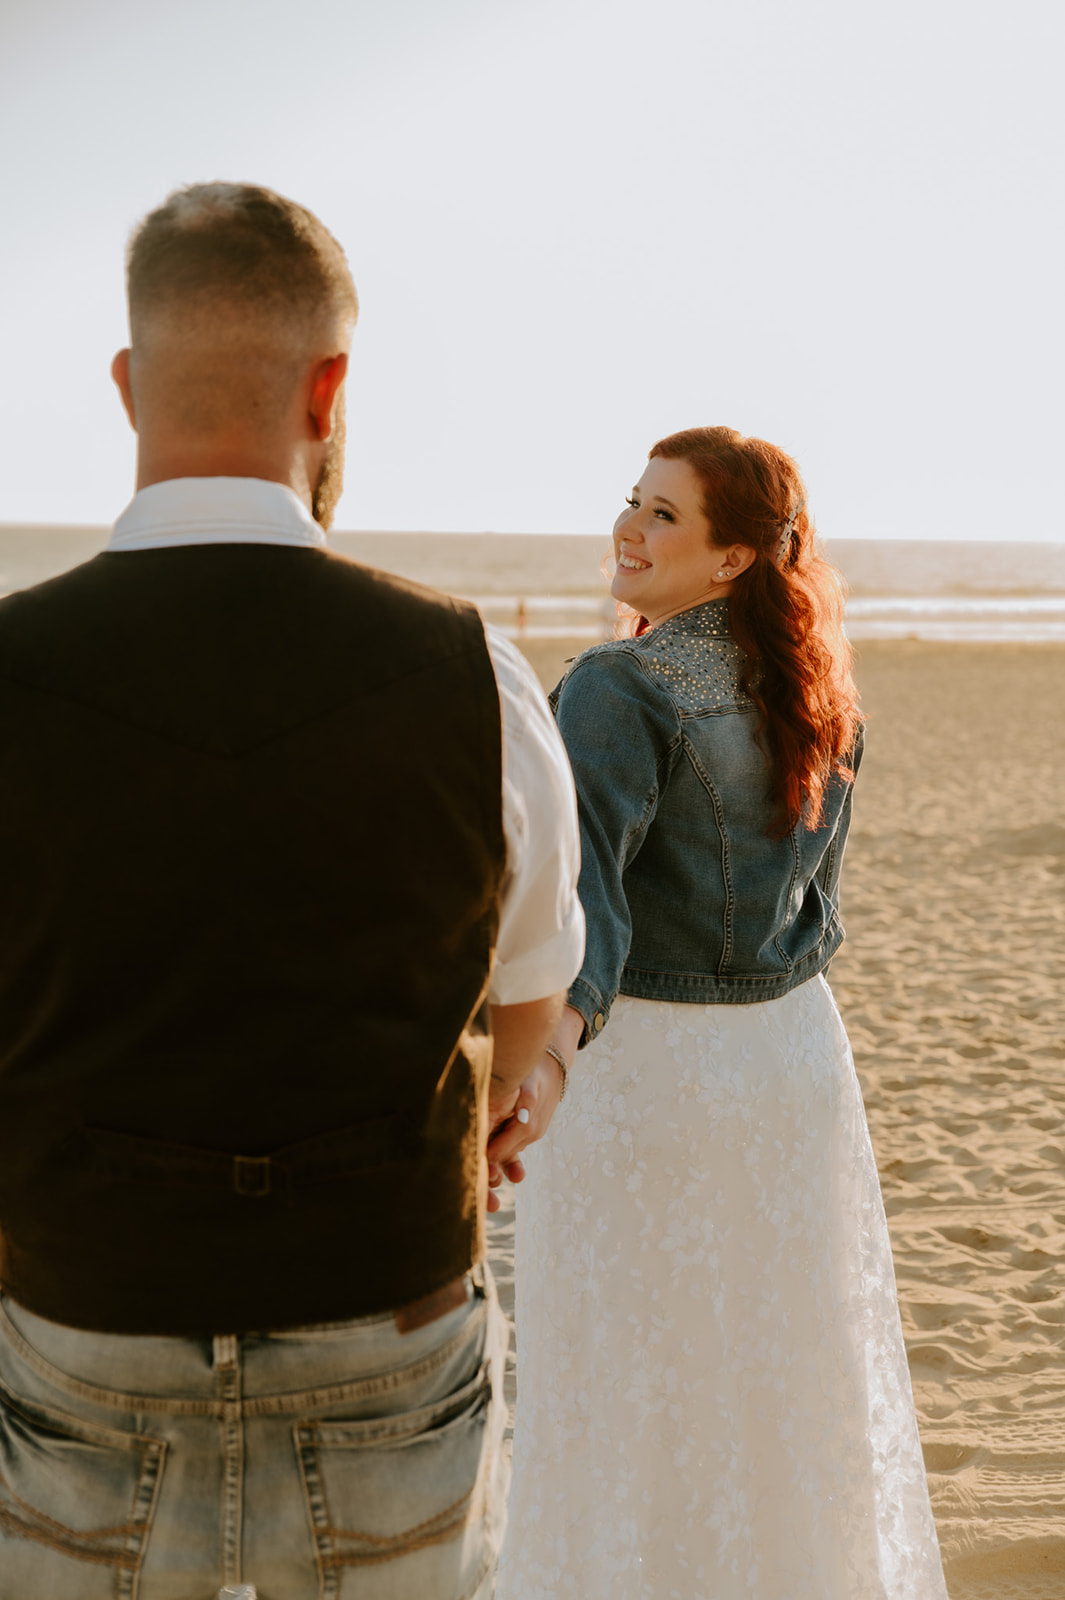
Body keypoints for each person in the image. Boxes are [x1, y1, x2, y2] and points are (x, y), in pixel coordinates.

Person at [0, 183, 583, 1598]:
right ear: (329, 388)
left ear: (129, 383)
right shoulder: (474, 676)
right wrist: (527, 1089)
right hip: (384, 1329)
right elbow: (528, 1017)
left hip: (85, 1330)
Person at [493, 428, 949, 1599]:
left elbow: (576, 902)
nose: (626, 532)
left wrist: (543, 1057)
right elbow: (819, 914)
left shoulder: (618, 685)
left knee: (631, 1368)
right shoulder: (819, 690)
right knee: (778, 1365)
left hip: (651, 1071)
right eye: (630, 503)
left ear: (736, 555)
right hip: (796, 1058)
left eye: (662, 517)